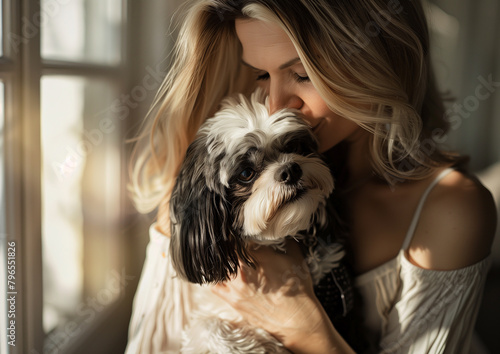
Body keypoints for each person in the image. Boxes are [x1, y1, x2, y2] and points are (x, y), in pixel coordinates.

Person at [126, 0, 497, 353]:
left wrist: (300, 323)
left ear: (378, 62)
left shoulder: (451, 210)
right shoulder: (201, 191)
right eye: (261, 74)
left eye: (302, 75)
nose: (275, 103)